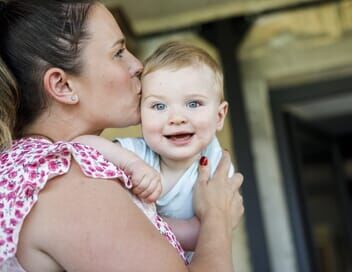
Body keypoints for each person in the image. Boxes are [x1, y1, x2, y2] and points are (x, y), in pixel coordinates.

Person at [0, 1, 244, 272]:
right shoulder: (64, 179)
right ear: (63, 85)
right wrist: (217, 218)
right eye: (118, 52)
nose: (138, 65)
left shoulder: (24, 169)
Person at [75, 41, 235, 256]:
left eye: (194, 104)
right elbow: (81, 145)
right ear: (141, 116)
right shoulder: (137, 154)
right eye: (159, 106)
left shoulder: (216, 167)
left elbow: (204, 235)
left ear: (219, 116)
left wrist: (141, 222)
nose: (177, 118)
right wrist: (131, 164)